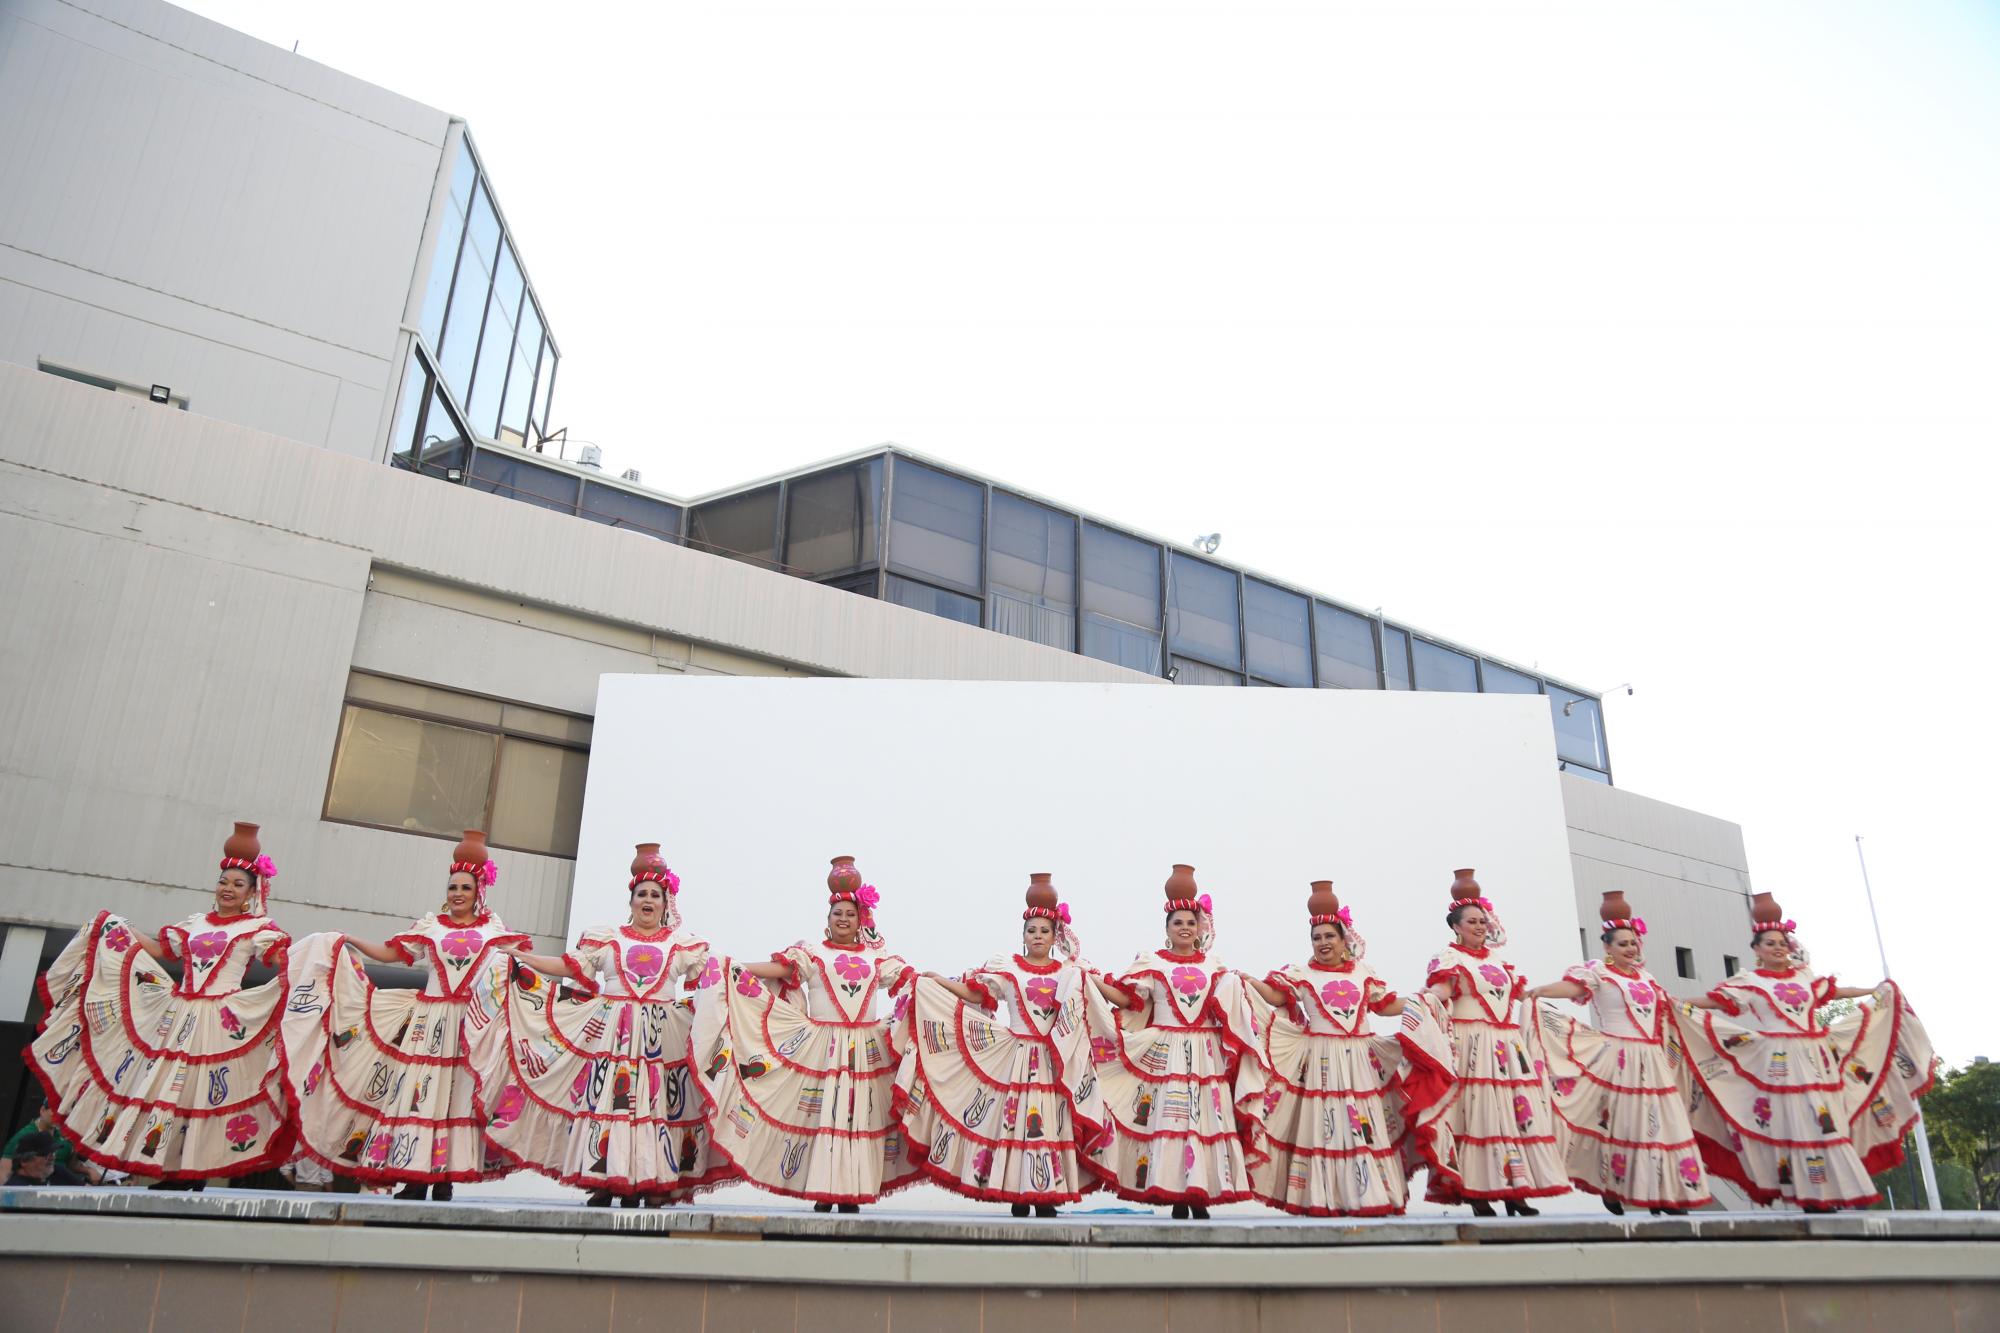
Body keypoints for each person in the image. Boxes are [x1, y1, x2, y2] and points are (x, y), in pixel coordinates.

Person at [26, 822, 292, 1186]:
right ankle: (167, 1166)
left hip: (218, 1016)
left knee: (199, 1091)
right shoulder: (196, 923)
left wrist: (308, 966)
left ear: (251, 892)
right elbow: (159, 950)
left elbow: (281, 960)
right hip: (179, 1013)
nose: (227, 889)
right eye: (223, 881)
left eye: (237, 884)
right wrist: (117, 926)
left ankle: (189, 1171)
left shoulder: (256, 928)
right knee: (163, 1089)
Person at [281, 830, 527, 1200]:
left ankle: (443, 1179)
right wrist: (349, 939)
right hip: (428, 1025)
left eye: (464, 887)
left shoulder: (494, 931)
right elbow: (390, 953)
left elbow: (514, 968)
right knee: (420, 1097)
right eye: (452, 887)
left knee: (454, 1100)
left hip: (465, 1028)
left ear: (479, 893)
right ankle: (416, 1177)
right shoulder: (431, 927)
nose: (457, 894)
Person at [483, 843, 732, 1206]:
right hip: (614, 1035)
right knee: (609, 1103)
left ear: (666, 904)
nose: (648, 900)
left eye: (655, 895)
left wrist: (750, 980)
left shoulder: (682, 944)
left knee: (652, 1105)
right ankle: (605, 1180)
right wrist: (524, 959)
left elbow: (716, 975)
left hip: (659, 1040)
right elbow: (569, 966)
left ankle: (645, 1180)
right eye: (641, 894)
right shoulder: (608, 939)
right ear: (631, 901)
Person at [1674, 891, 1937, 1211]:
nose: (1778, 947)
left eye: (1782, 942)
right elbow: (1714, 1001)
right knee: (1798, 1123)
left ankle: (1843, 1190)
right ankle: (1813, 1194)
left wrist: (1873, 990)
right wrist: (1676, 1003)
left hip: (1816, 1058)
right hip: (1780, 1062)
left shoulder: (1804, 978)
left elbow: (1837, 992)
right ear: (1757, 950)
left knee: (1828, 1122)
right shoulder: (1751, 982)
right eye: (1770, 943)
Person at [692, 856, 920, 1211]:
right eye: (837, 914)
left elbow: (910, 981)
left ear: (861, 920)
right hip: (824, 1048)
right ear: (827, 921)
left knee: (857, 1117)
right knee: (823, 1116)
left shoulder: (877, 958)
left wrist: (941, 987)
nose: (843, 919)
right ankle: (823, 1189)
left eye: (850, 914)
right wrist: (733, 968)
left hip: (864, 1049)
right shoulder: (813, 954)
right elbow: (781, 969)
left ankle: (852, 1191)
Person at [894, 873, 1113, 1217]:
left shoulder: (1070, 970)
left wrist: (1127, 999)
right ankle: (1018, 1193)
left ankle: (1048, 1194)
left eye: (1044, 931)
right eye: (1032, 931)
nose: (1037, 936)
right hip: (1020, 1055)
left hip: (1054, 1058)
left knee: (1051, 1122)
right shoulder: (1008, 968)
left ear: (1056, 936)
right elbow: (975, 993)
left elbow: (1099, 993)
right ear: (1023, 935)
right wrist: (938, 982)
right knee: (1017, 1121)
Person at [1240, 882, 1454, 1217]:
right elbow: (1277, 996)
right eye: (1317, 938)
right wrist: (1250, 983)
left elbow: (1384, 1006)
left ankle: (1368, 1198)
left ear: (1344, 940)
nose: (1323, 943)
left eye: (1329, 936)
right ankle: (1325, 1199)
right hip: (1322, 1063)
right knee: (1325, 1130)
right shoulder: (1302, 973)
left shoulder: (1363, 973)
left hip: (1360, 1063)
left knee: (1363, 1129)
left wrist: (1421, 1002)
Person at [1087, 865, 1265, 1220]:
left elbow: (1228, 1003)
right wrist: (1089, 981)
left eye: (1190, 922)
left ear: (1200, 928)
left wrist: (1241, 986)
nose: (1185, 927)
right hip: (1167, 1053)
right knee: (1173, 1119)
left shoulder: (1214, 964)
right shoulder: (1154, 963)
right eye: (1177, 923)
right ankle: (1177, 1196)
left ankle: (1200, 1196)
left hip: (1204, 1053)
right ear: (1167, 929)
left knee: (1203, 1121)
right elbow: (1128, 1000)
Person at [1529, 891, 1710, 1214]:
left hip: (1651, 1060)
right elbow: (1574, 989)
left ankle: (1661, 1194)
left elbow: (1673, 1006)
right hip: (1618, 1058)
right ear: (1607, 947)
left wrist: (1721, 1001)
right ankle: (1613, 1185)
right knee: (1625, 1125)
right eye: (1623, 943)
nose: (1631, 948)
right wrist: (1544, 990)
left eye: (1634, 942)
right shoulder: (1599, 972)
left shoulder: (1647, 978)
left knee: (1661, 1124)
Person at [1414, 868, 1569, 1217]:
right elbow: (1441, 990)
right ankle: (1477, 1193)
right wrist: (1422, 1000)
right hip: (1472, 1046)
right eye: (1472, 921)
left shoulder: (1498, 961)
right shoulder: (1450, 959)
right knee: (1476, 1118)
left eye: (1482, 920)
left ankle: (1514, 1192)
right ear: (1456, 926)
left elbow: (1512, 996)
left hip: (1505, 1048)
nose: (1480, 926)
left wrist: (1541, 996)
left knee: (1510, 1118)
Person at [1, 1100, 102, 1185]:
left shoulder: (65, 1136)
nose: (60, 1115)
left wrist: (88, 1170)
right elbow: (4, 1173)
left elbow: (71, 1164)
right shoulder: (25, 1137)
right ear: (42, 1110)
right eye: (55, 1110)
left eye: (64, 1112)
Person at [3, 1131, 86, 1187]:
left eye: (54, 1152)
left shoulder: (57, 1171)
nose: (53, 1157)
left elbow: (88, 1191)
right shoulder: (14, 1190)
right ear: (24, 1161)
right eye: (46, 1154)